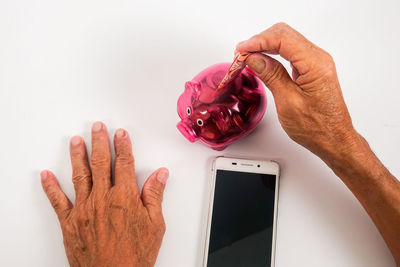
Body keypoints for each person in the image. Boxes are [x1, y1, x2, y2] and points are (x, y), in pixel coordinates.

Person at [40, 23, 400, 266]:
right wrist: (340, 141)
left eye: (204, 121)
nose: (195, 123)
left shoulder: (237, 111)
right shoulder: (206, 101)